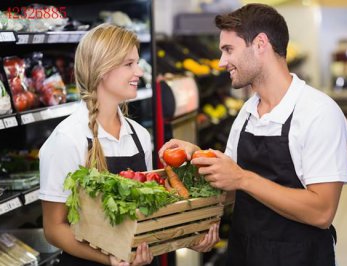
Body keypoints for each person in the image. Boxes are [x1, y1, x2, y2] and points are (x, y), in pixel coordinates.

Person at [159, 4, 347, 266]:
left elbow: (321, 212)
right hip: (243, 254)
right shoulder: (248, 112)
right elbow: (230, 189)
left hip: (298, 258)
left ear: (260, 44)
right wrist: (198, 160)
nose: (221, 62)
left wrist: (242, 178)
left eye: (228, 50)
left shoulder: (318, 112)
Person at [39, 24, 218, 266]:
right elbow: (54, 228)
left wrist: (189, 236)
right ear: (103, 68)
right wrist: (109, 259)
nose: (139, 72)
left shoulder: (139, 135)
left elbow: (144, 216)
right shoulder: (67, 139)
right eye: (129, 64)